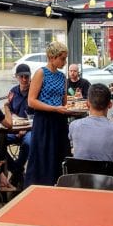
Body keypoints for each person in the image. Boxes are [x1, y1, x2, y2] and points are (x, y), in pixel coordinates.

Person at [25, 40, 70, 186]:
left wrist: (63, 107)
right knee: (43, 156)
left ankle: (59, 185)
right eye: (62, 58)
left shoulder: (62, 76)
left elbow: (63, 100)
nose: (64, 62)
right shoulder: (41, 73)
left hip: (59, 120)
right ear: (52, 57)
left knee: (59, 155)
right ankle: (40, 187)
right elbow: (31, 101)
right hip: (44, 120)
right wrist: (54, 108)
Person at [69, 83, 113, 167]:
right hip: (110, 179)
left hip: (81, 179)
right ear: (110, 104)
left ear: (87, 104)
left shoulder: (74, 126)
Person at [5, 63, 34, 188]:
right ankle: (17, 170)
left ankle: (16, 172)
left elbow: (38, 114)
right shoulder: (13, 92)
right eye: (21, 76)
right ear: (16, 77)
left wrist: (26, 128)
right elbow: (9, 111)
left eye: (26, 76)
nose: (24, 79)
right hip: (14, 129)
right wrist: (12, 116)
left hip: (30, 129)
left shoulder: (35, 91)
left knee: (29, 142)